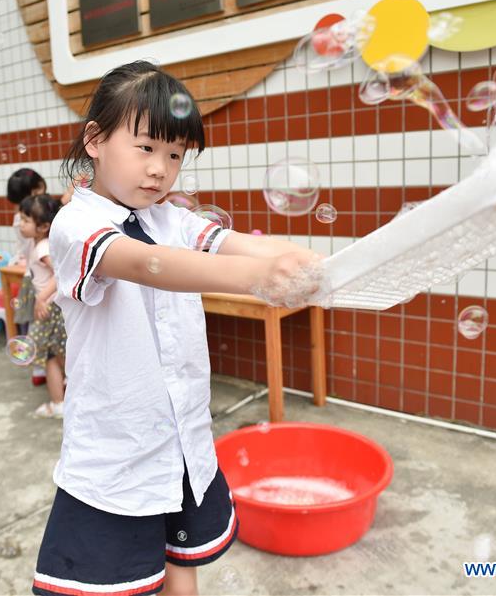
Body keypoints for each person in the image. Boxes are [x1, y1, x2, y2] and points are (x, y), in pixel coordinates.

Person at [32, 61, 322, 595]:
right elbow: (147, 265)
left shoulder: (172, 218)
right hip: (116, 454)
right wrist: (260, 277)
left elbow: (240, 244)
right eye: (145, 148)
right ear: (95, 140)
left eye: (174, 155)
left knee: (179, 565)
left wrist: (309, 261)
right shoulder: (75, 224)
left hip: (184, 443)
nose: (160, 170)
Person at [16, 194, 65, 418]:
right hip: (54, 307)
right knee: (59, 353)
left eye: (26, 220)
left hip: (49, 308)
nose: (20, 223)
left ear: (44, 226)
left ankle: (58, 403)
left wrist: (41, 298)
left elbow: (60, 275)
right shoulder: (38, 243)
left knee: (49, 358)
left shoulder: (42, 247)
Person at [6, 168, 48, 386]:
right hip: (40, 280)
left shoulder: (21, 217)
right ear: (36, 190)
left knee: (36, 325)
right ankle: (43, 368)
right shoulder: (30, 220)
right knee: (41, 325)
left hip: (33, 276)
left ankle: (40, 370)